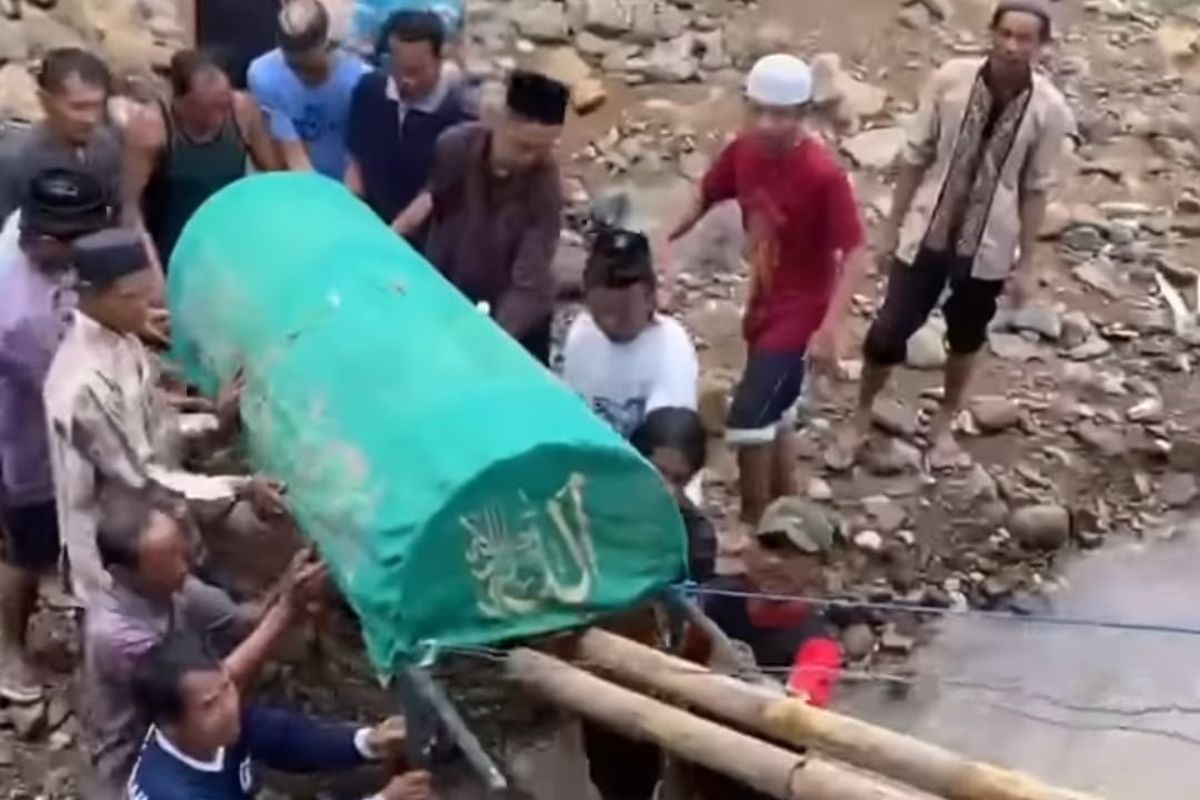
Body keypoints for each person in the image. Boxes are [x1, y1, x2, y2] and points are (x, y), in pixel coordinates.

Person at [830, 0, 1073, 471]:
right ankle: (859, 416)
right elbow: (915, 156)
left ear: (1043, 47)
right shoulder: (951, 82)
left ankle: (944, 420)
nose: (1011, 46)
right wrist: (891, 228)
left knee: (966, 336)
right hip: (927, 231)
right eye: (1004, 34)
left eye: (1025, 39)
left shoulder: (1049, 110)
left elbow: (1035, 189)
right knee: (887, 333)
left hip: (989, 245)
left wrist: (1026, 265)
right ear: (991, 33)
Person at [666, 54, 869, 526]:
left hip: (802, 312)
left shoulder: (823, 175)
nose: (767, 123)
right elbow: (706, 193)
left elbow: (857, 253)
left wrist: (829, 328)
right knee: (776, 415)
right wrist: (665, 238)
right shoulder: (744, 151)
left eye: (779, 115)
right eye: (758, 111)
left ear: (802, 114)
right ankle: (788, 506)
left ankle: (755, 523)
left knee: (748, 418)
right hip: (763, 302)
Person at [43, 227, 283, 605]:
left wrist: (214, 422)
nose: (147, 307)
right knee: (160, 639)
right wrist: (242, 486)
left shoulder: (121, 338)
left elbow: (154, 431)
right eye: (133, 297)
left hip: (162, 525)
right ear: (95, 297)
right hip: (121, 558)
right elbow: (145, 475)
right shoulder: (84, 386)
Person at [85, 485, 326, 798]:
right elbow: (204, 694)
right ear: (123, 574)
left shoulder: (172, 583)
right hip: (142, 759)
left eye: (178, 552)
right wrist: (286, 612)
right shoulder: (118, 636)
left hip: (194, 723)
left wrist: (288, 582)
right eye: (166, 560)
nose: (184, 568)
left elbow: (244, 620)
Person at [0, 168, 113, 701]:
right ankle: (9, 651)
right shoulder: (16, 314)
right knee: (24, 549)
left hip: (53, 428)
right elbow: (69, 389)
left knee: (63, 531)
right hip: (20, 442)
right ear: (44, 241)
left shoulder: (33, 225)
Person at [127, 631, 433, 799]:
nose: (230, 706)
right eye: (209, 704)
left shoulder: (208, 731)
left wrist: (368, 742)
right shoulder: (179, 793)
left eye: (227, 687)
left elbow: (287, 739)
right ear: (169, 724)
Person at [397, 70, 566, 364]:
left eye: (543, 150)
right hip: (453, 291)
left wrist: (488, 342)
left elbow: (529, 278)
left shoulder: (545, 185)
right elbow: (441, 224)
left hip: (515, 318)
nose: (531, 160)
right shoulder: (454, 148)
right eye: (524, 146)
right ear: (500, 121)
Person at [121, 49, 280, 267]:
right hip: (173, 251)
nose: (218, 117)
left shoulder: (242, 110)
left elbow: (273, 176)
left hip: (230, 246)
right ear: (179, 101)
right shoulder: (150, 128)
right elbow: (130, 208)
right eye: (208, 109)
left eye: (223, 105)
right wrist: (151, 268)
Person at [563, 228, 698, 438]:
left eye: (623, 312)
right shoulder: (581, 335)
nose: (611, 322)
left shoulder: (670, 346)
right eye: (603, 312)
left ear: (650, 298)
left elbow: (668, 448)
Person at [345, 10, 473, 230]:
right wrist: (352, 211)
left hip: (427, 235)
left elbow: (434, 191)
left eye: (416, 72)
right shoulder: (370, 91)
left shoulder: (459, 116)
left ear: (439, 60)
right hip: (371, 222)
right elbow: (357, 159)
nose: (407, 81)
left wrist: (394, 234)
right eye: (399, 69)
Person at [247, 0, 370, 179]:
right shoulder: (264, 75)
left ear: (325, 43)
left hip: (344, 185)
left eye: (308, 66)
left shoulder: (360, 81)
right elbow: (294, 155)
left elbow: (359, 159)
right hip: (295, 183)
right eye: (293, 66)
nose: (300, 74)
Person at [0, 47, 120, 224]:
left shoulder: (109, 146)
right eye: (79, 107)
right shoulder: (15, 159)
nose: (91, 118)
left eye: (98, 105)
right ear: (45, 101)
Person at [630, 407, 715, 585]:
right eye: (657, 472)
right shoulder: (598, 503)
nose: (667, 489)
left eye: (679, 479)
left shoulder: (696, 536)